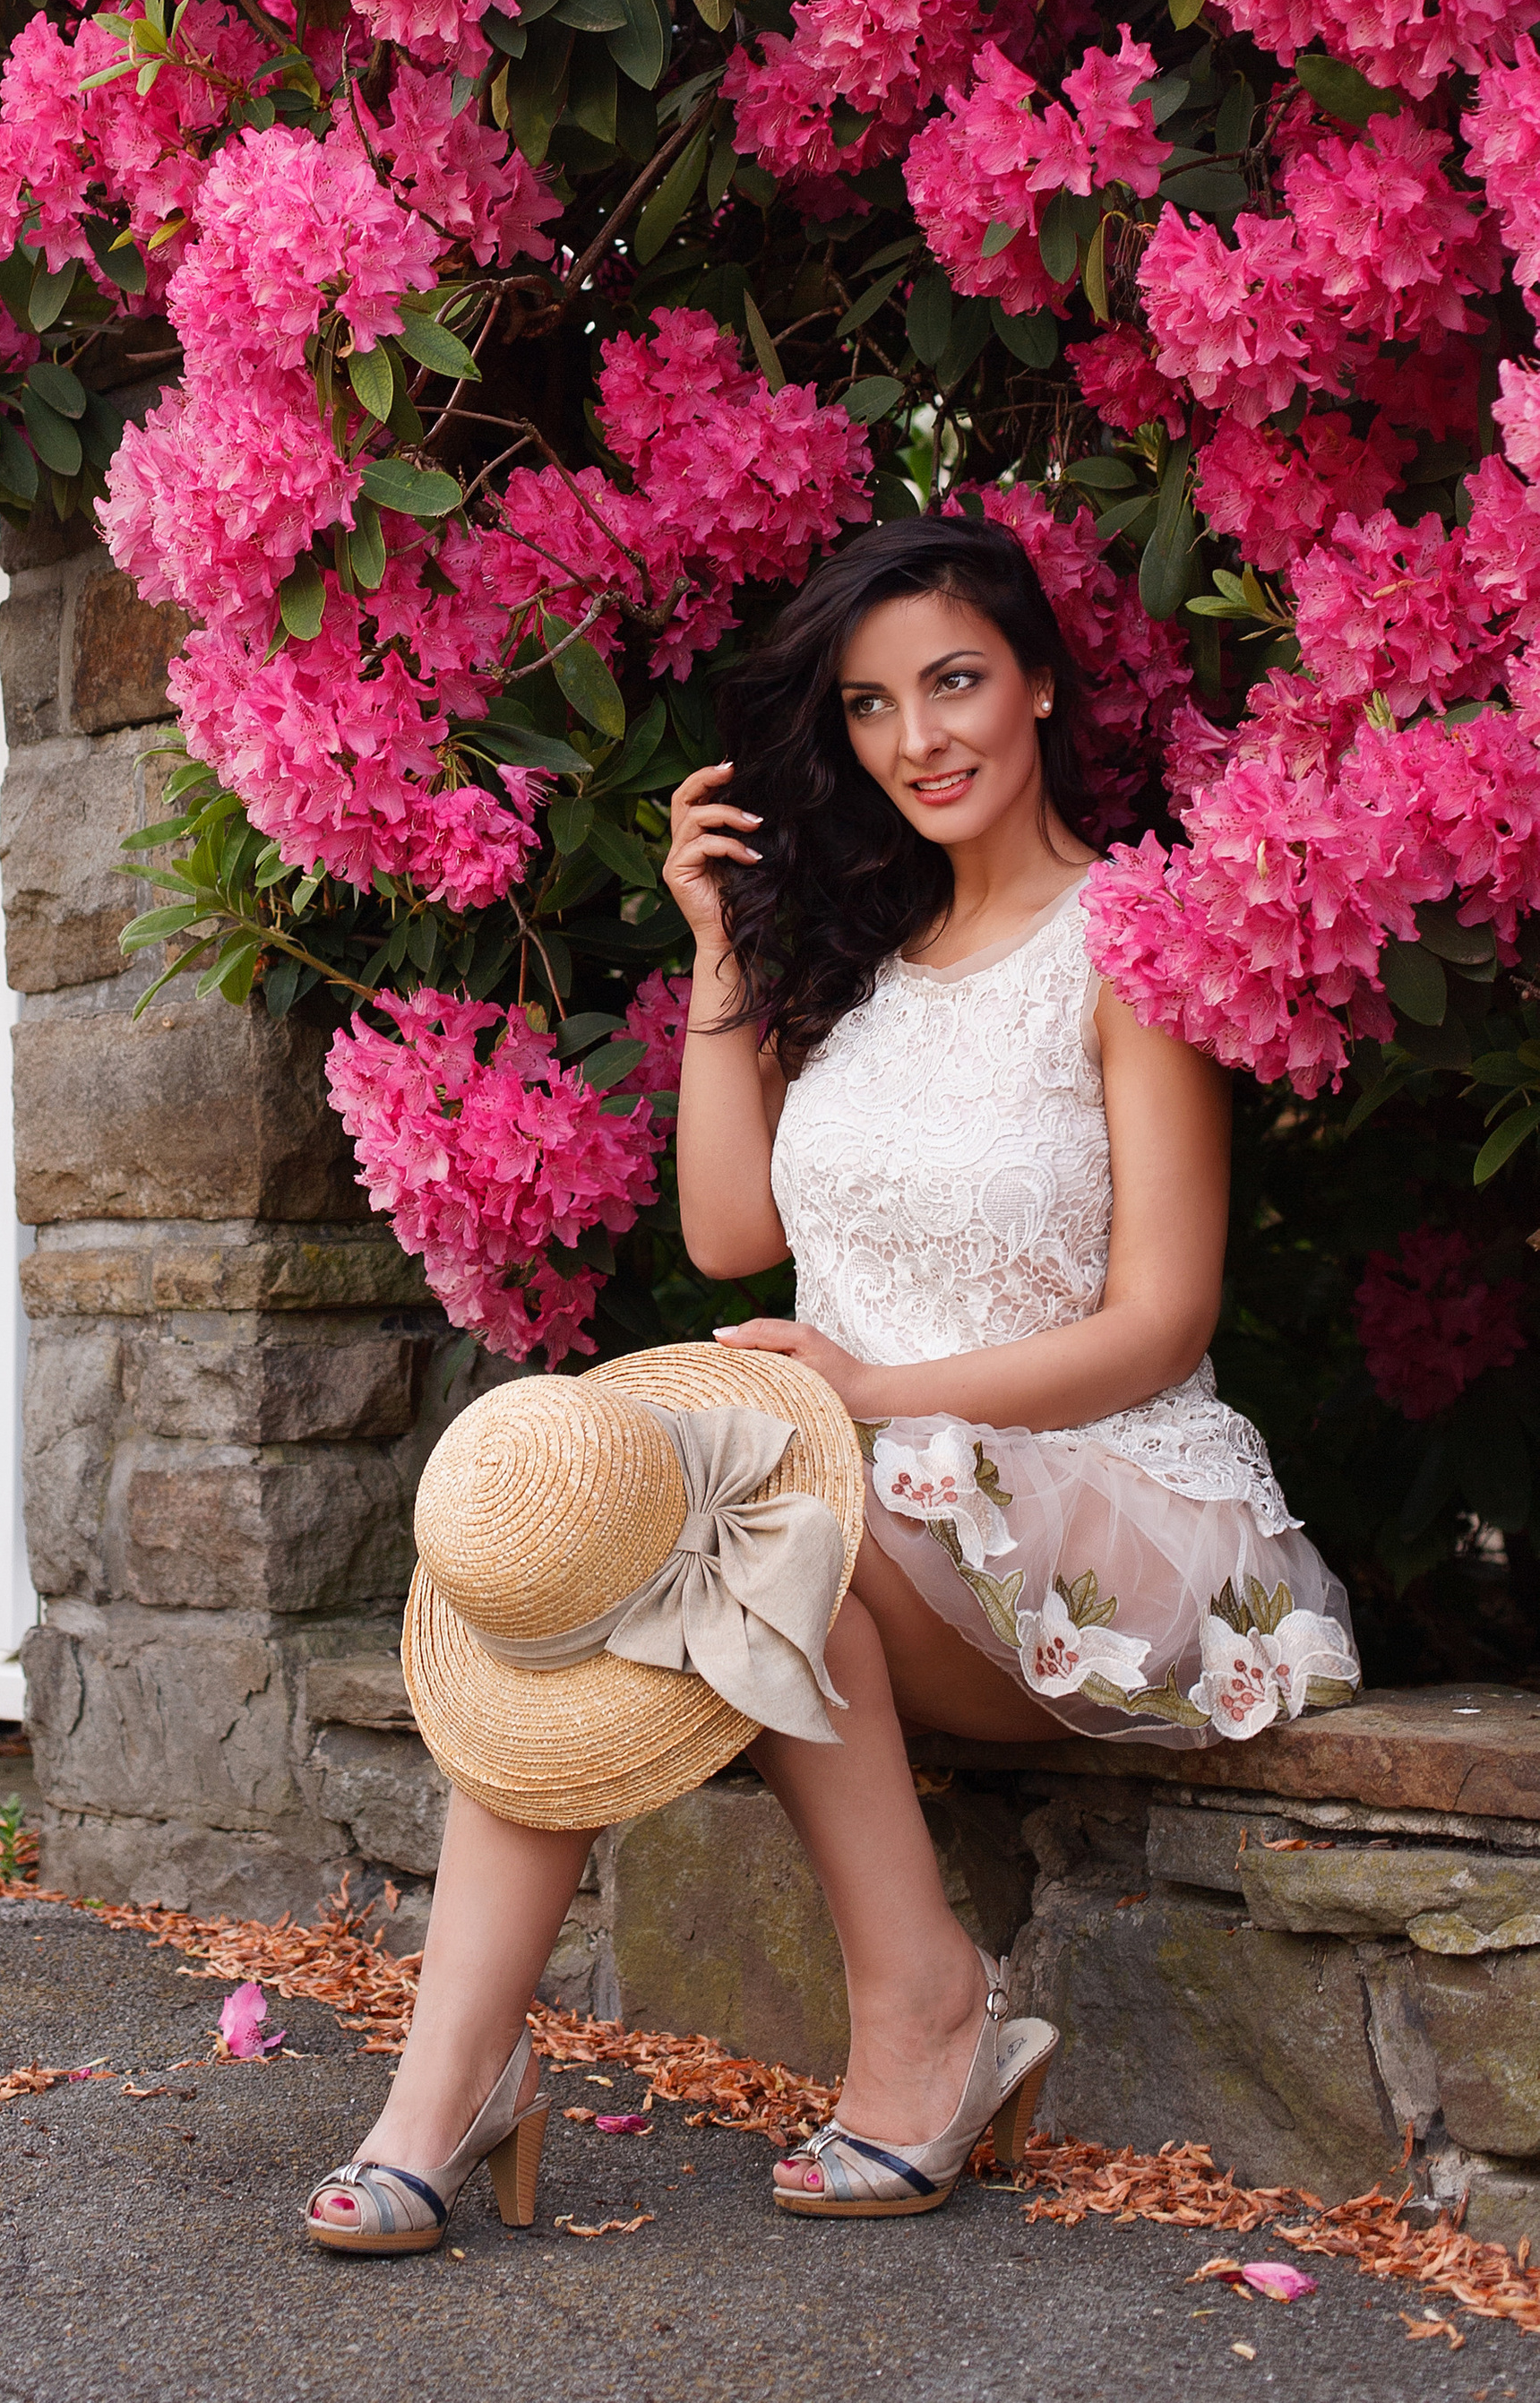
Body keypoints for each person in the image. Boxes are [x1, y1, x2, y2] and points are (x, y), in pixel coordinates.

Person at [303, 513, 1358, 2251]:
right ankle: (446, 2089)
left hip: (1107, 1503)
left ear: (1037, 681)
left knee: (764, 1516)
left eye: (953, 680)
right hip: (866, 1502)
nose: (916, 737)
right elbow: (729, 1231)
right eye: (870, 705)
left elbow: (1163, 1318)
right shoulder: (858, 967)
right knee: (595, 1534)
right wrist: (718, 946)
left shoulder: (1129, 938)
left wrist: (873, 1388)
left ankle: (925, 2008)